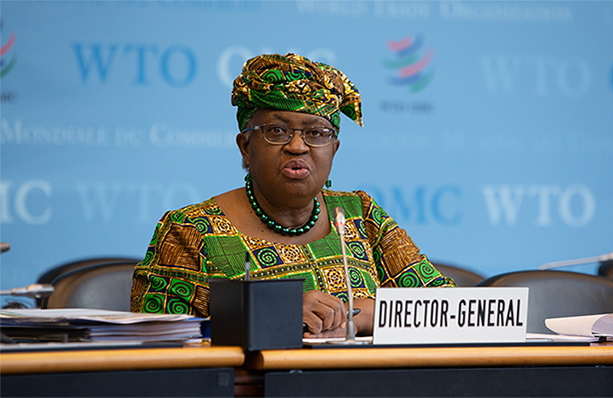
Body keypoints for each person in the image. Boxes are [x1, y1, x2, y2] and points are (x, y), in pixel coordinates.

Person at [130, 53, 455, 338]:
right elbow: (154, 342)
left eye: (315, 133)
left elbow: (449, 311)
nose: (297, 146)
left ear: (333, 149)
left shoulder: (361, 215)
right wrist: (273, 315)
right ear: (245, 146)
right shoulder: (192, 231)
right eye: (277, 131)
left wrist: (360, 314)